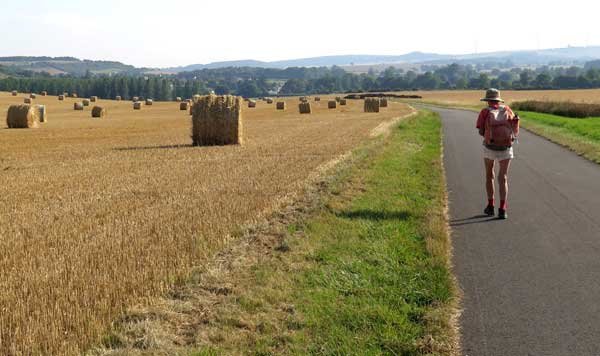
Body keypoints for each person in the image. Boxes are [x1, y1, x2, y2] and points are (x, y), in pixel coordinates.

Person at [476, 89, 519, 220]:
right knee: (503, 177)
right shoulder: (507, 110)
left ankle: (490, 206)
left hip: (490, 147)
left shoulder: (484, 112)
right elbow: (515, 130)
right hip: (506, 148)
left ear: (487, 100)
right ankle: (503, 209)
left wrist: (489, 135)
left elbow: (481, 131)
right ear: (499, 99)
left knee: (490, 175)